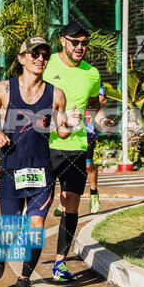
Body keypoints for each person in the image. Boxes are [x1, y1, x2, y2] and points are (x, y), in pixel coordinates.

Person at [0, 37, 80, 287]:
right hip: (11, 169)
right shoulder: (4, 89)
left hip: (42, 170)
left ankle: (24, 279)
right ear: (22, 58)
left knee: (36, 225)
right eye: (34, 54)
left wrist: (72, 126)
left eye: (44, 54)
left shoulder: (56, 94)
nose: (40, 59)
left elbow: (61, 131)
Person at [43, 22, 114, 281]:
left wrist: (100, 118)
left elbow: (94, 101)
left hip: (76, 146)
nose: (80, 47)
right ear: (63, 41)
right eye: (75, 42)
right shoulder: (46, 63)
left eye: (84, 42)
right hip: (45, 145)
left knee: (70, 204)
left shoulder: (92, 74)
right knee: (39, 203)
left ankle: (60, 263)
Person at [54, 82, 106, 216]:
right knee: (65, 167)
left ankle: (94, 195)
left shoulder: (91, 80)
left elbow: (100, 100)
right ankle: (64, 199)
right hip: (65, 129)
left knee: (88, 165)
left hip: (86, 131)